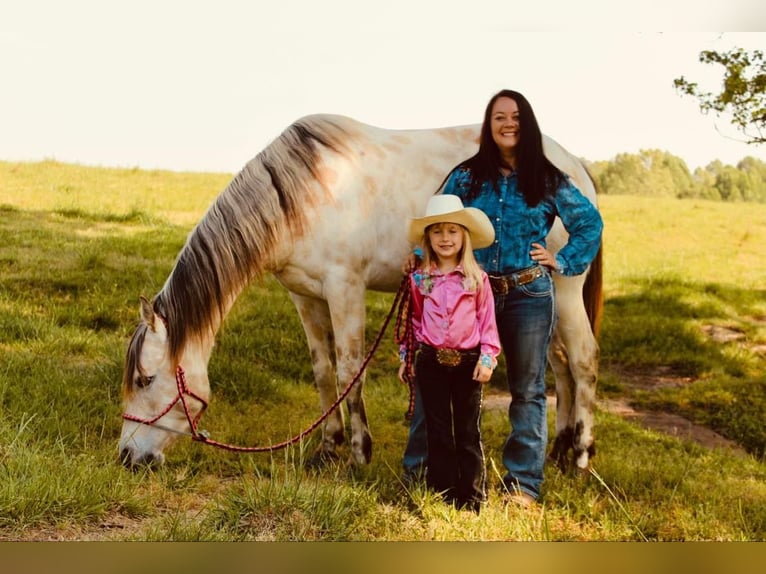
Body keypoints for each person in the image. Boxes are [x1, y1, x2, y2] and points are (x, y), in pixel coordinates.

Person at [402, 89, 603, 507]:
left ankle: (523, 484)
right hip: (474, 294)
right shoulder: (467, 176)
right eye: (498, 117)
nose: (507, 124)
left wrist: (562, 261)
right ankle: (422, 468)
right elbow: (441, 222)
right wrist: (421, 260)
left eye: (515, 117)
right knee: (434, 377)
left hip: (528, 292)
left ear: (527, 124)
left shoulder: (546, 178)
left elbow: (589, 223)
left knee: (527, 388)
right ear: (488, 126)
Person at [398, 194, 501, 514]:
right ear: (427, 237)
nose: (445, 238)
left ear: (464, 237)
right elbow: (414, 320)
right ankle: (443, 490)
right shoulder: (420, 279)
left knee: (468, 430)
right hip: (431, 360)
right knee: (438, 428)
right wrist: (406, 356)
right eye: (438, 231)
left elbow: (487, 323)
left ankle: (471, 496)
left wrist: (487, 358)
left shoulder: (476, 279)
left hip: (468, 363)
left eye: (453, 231)